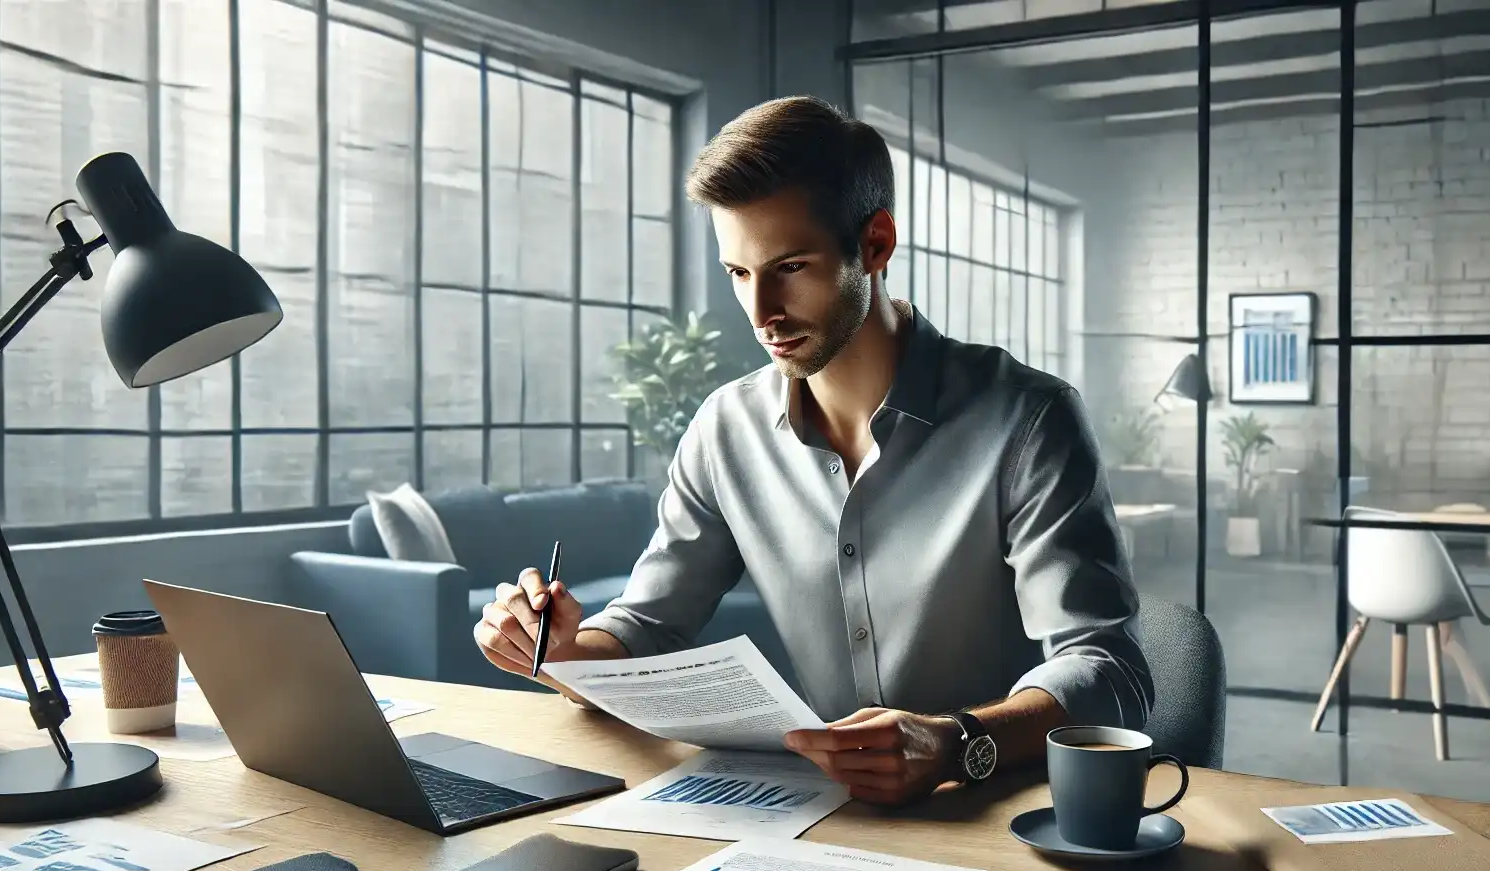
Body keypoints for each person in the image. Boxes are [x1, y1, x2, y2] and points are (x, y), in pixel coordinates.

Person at [475, 95, 1150, 806]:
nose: (761, 311)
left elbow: (1110, 673)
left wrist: (956, 741)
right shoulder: (724, 429)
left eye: (790, 267)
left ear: (876, 245)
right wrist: (559, 653)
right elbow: (647, 626)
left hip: (1003, 814)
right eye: (738, 273)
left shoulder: (1028, 420)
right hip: (828, 818)